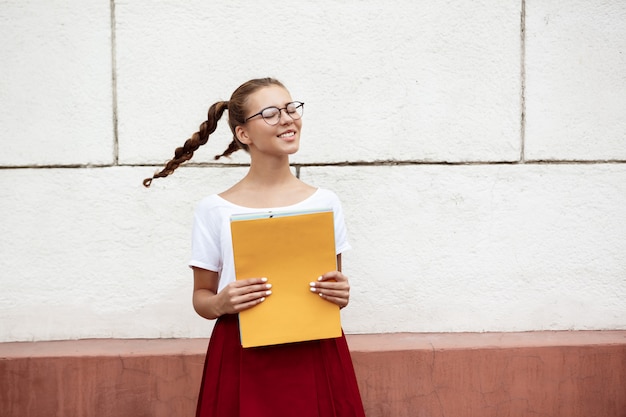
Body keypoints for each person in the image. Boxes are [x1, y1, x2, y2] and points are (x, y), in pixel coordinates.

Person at [144, 77, 366, 417]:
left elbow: (333, 285)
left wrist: (340, 292)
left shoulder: (326, 202)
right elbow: (201, 298)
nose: (288, 118)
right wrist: (221, 302)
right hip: (243, 351)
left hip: (315, 349)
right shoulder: (214, 209)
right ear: (243, 134)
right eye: (271, 113)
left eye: (291, 108)